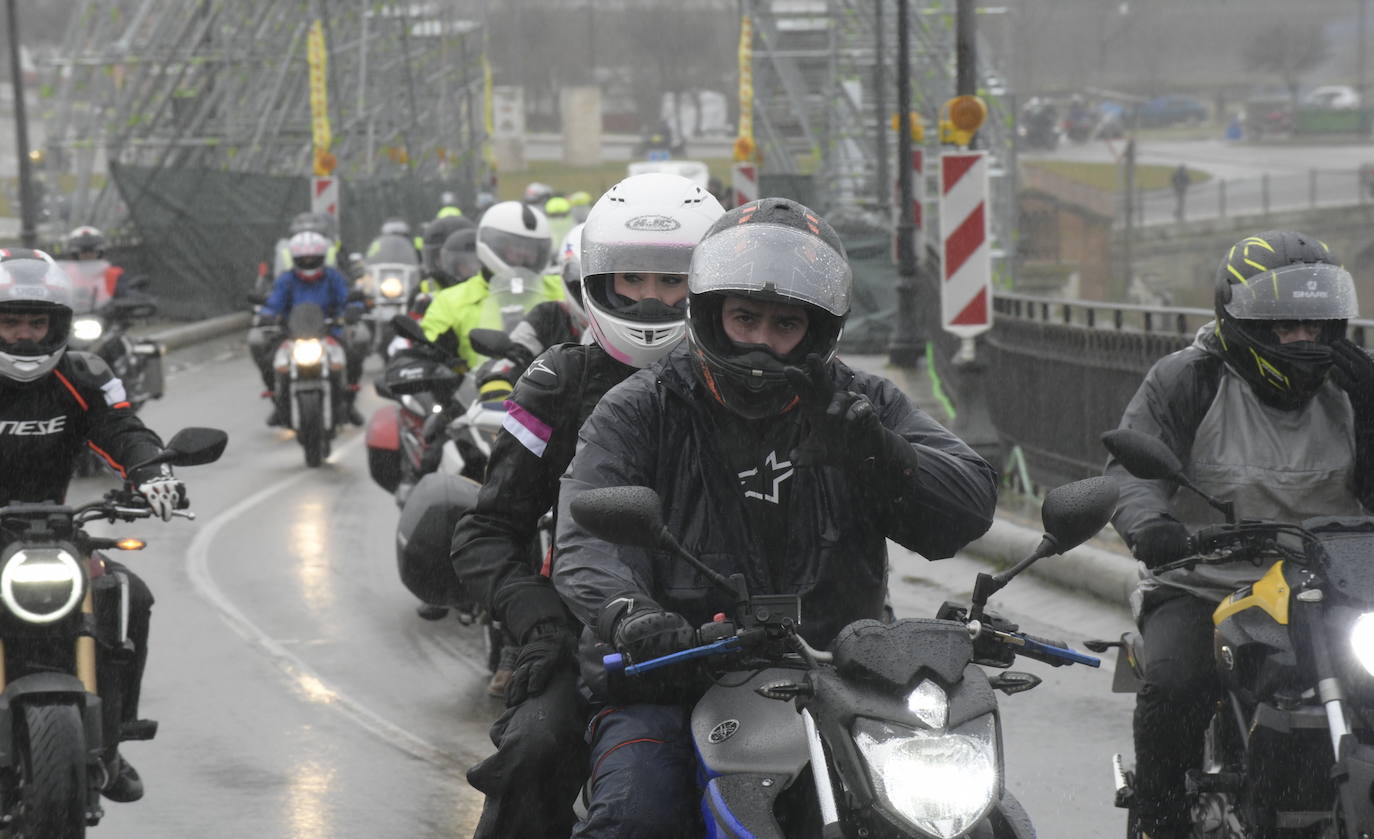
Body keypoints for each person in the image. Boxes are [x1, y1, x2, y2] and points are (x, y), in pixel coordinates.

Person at [551, 198, 999, 838]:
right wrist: (635, 618)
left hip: (847, 678)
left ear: (815, 330)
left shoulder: (859, 403)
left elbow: (969, 503)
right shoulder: (640, 407)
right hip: (675, 678)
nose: (762, 341)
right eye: (745, 317)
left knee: (974, 818)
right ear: (710, 313)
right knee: (636, 813)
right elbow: (584, 540)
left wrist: (880, 454)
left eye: (785, 323)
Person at [451, 172, 725, 839]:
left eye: (673, 279)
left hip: (736, 635)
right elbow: (487, 529)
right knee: (533, 751)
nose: (653, 297)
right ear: (599, 280)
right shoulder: (556, 382)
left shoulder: (752, 380)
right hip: (592, 643)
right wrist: (543, 624)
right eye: (634, 279)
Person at [1106, 230, 1374, 839]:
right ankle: (1160, 820)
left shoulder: (1358, 385)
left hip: (1333, 588)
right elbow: (1131, 472)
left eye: (1316, 325)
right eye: (1285, 327)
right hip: (1208, 583)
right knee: (1173, 687)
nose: (1304, 339)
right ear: (1241, 320)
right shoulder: (1187, 380)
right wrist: (1152, 525)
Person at [0, 249, 188, 803]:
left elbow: (123, 428)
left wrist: (153, 473)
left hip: (56, 530)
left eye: (38, 322)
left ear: (57, 324)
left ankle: (111, 740)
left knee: (129, 594)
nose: (26, 336)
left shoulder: (85, 373)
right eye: (11, 321)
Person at [419, 200, 563, 373]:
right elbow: (427, 355)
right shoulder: (450, 301)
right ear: (492, 244)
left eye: (531, 248)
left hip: (558, 394)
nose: (524, 254)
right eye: (515, 246)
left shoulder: (562, 288)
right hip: (480, 395)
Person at [254, 231, 367, 426]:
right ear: (295, 259)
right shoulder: (286, 279)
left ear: (322, 258)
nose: (308, 262)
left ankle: (349, 403)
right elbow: (274, 302)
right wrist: (266, 315)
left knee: (353, 356)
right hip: (292, 334)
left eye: (313, 258)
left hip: (329, 331)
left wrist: (352, 310)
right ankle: (278, 403)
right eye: (303, 259)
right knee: (268, 359)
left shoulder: (333, 277)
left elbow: (347, 298)